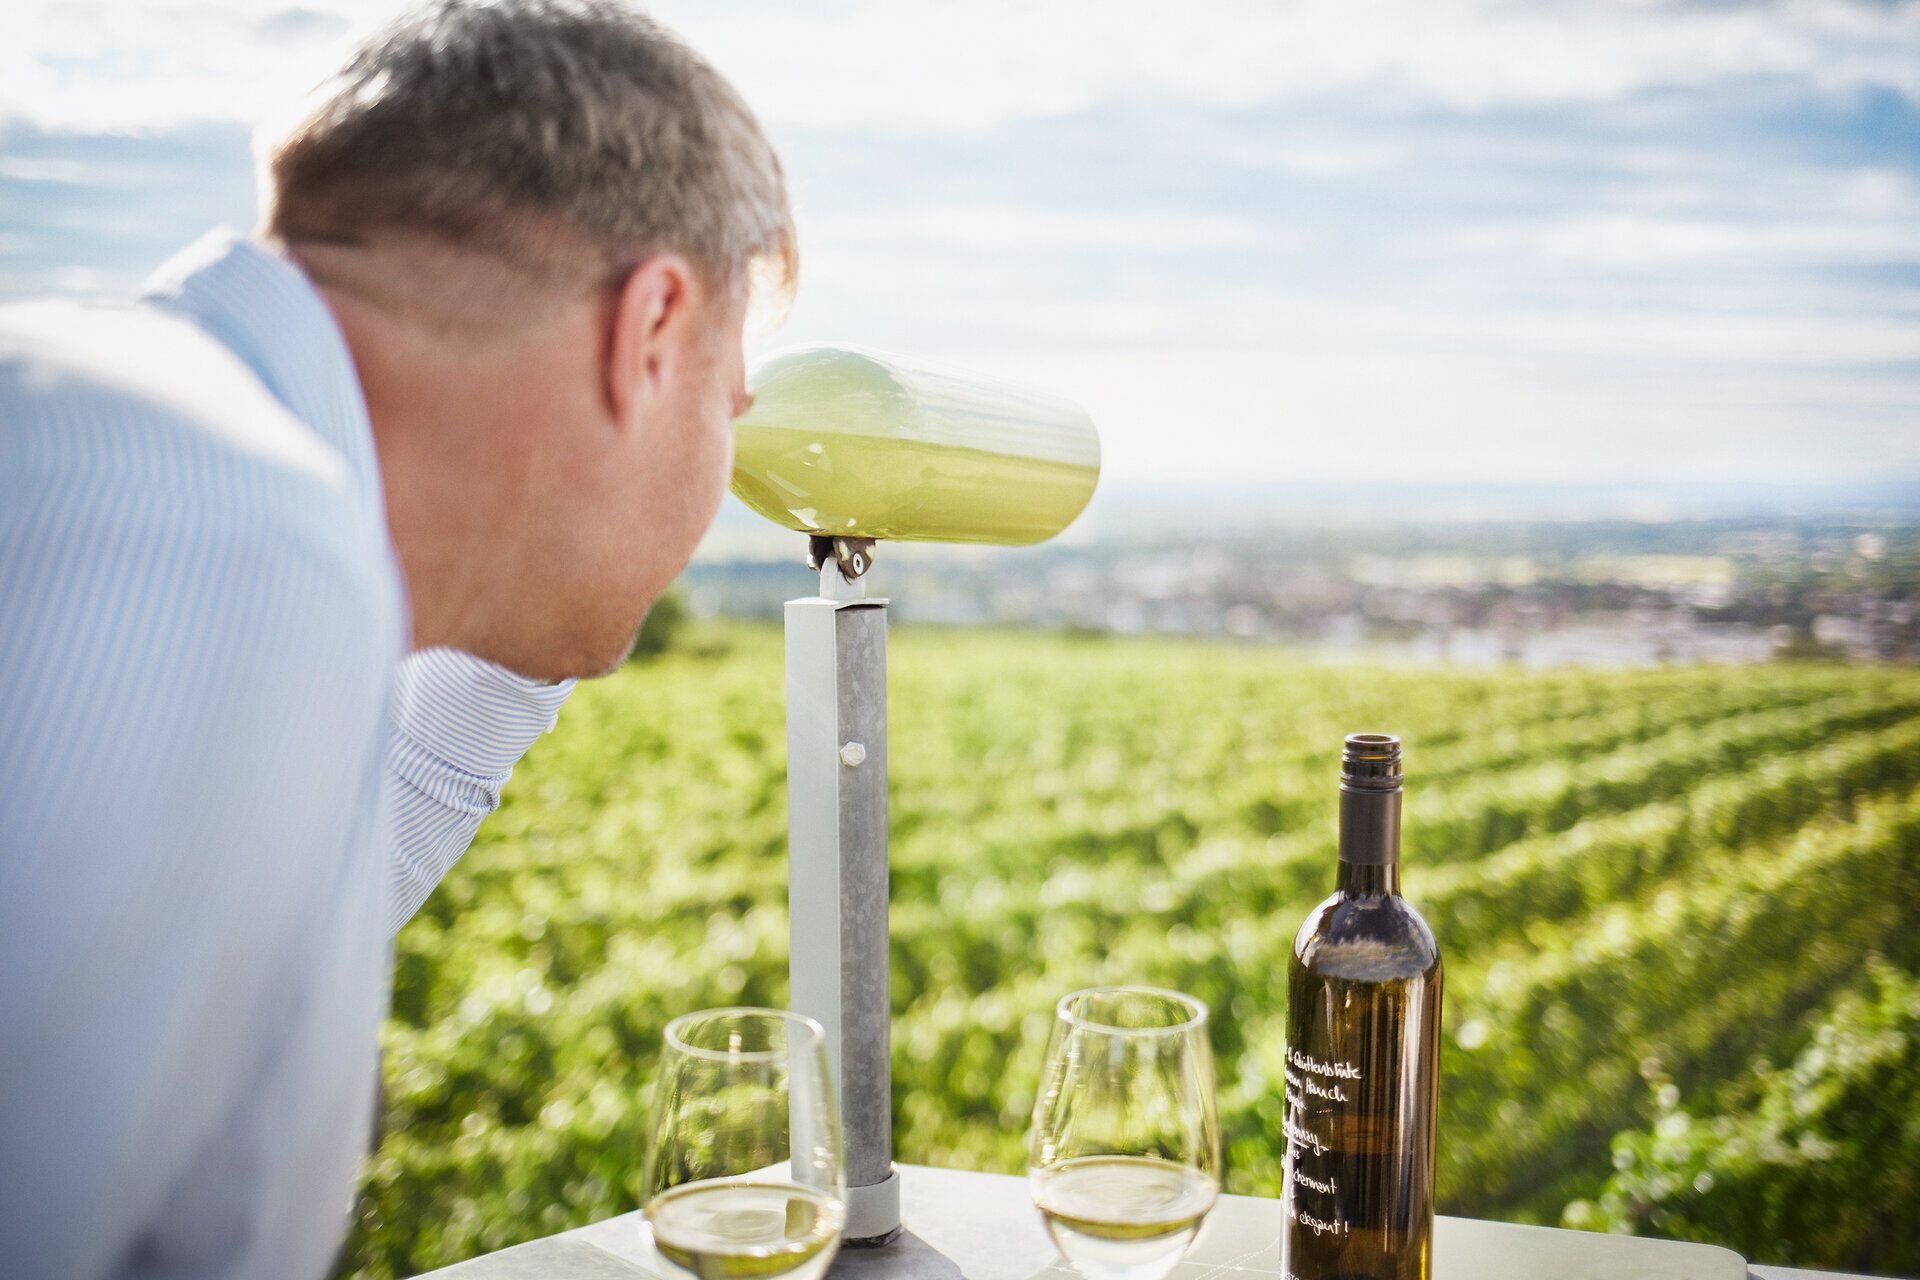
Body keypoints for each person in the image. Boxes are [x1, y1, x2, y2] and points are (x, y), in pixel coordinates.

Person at [0, 2, 793, 1276]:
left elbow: (277, 914)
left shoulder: (165, 468)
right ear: (650, 330)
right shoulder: (236, 548)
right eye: (730, 394)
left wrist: (518, 624)